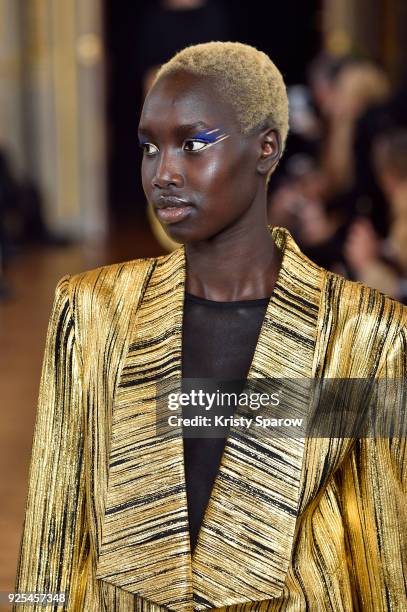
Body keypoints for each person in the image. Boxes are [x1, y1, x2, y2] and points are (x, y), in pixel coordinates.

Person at [14, 42, 406, 611]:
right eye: (150, 147)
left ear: (266, 148)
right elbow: (54, 534)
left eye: (194, 145)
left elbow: (385, 558)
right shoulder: (94, 314)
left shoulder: (364, 336)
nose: (164, 173)